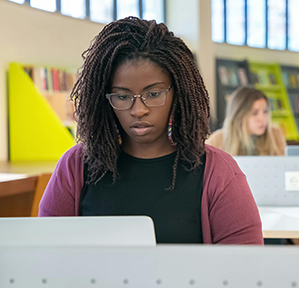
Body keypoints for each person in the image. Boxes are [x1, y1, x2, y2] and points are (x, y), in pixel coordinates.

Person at [39, 17, 263, 245]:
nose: (138, 110)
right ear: (104, 99)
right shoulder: (75, 167)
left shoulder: (219, 173)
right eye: (123, 96)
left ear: (178, 92)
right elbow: (46, 259)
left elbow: (246, 270)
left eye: (154, 94)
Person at [206, 87, 286, 156]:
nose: (262, 118)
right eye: (254, 113)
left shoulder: (275, 134)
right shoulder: (217, 139)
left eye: (265, 111)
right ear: (239, 116)